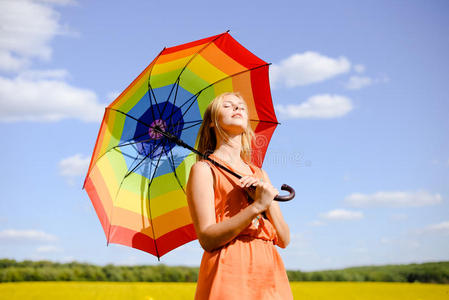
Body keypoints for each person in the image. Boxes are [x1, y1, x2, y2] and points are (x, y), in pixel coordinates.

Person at [186, 92, 293, 299]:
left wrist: (267, 202)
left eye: (241, 105)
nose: (237, 108)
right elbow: (207, 239)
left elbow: (284, 239)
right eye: (227, 106)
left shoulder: (260, 174)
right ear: (211, 122)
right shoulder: (204, 169)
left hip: (269, 271)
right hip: (230, 268)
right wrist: (256, 207)